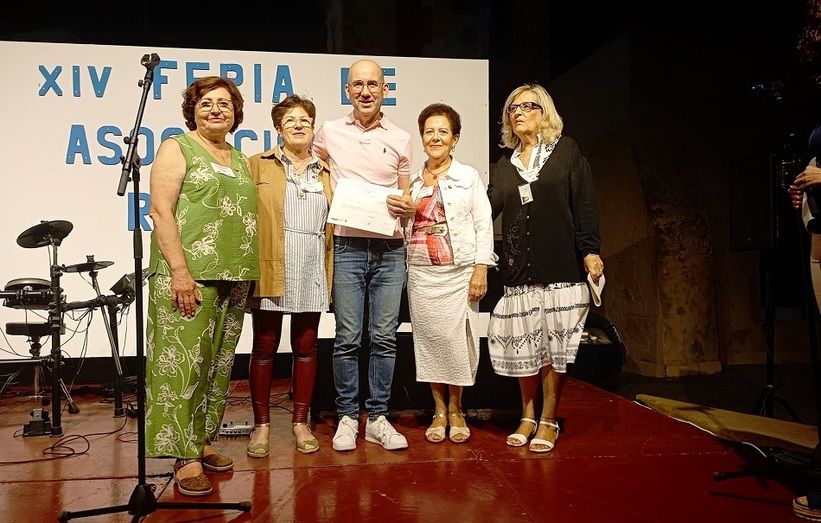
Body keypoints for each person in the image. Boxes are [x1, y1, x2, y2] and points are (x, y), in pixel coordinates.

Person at [145, 76, 259, 496]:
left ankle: (202, 441)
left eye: (225, 103)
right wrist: (179, 271)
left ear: (236, 112)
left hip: (233, 276)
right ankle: (183, 455)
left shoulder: (240, 158)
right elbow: (161, 211)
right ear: (192, 109)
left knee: (217, 365)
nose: (216, 109)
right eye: (206, 102)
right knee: (183, 365)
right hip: (188, 276)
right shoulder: (177, 147)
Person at [487, 83, 602, 453]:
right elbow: (485, 210)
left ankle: (549, 418)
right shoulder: (506, 165)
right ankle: (527, 414)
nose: (517, 113)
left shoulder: (566, 151)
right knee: (525, 348)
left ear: (544, 111)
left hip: (561, 268)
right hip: (519, 272)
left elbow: (585, 203)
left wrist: (590, 250)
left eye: (527, 106)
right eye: (512, 108)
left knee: (554, 349)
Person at [312, 58, 416, 451]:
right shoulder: (329, 131)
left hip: (390, 248)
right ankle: (346, 417)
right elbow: (310, 164)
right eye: (358, 84)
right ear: (347, 90)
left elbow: (406, 194)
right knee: (347, 337)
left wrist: (407, 205)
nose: (365, 91)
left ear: (385, 90)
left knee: (384, 337)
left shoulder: (401, 138)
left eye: (373, 84)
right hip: (347, 246)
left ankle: (378, 418)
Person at [246, 95, 333, 457]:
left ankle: (300, 423)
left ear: (313, 128)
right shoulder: (256, 164)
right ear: (278, 128)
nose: (299, 125)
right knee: (264, 347)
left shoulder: (327, 170)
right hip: (272, 263)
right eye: (291, 120)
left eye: (305, 121)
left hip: (313, 263)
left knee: (307, 347)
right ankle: (262, 426)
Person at [404, 103, 495, 443]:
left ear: (455, 138)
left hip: (459, 272)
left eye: (443, 131)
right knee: (429, 342)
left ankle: (456, 409)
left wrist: (480, 268)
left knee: (457, 342)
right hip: (420, 273)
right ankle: (438, 410)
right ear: (422, 137)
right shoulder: (412, 181)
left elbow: (483, 224)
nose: (435, 137)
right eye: (429, 131)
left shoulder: (468, 177)